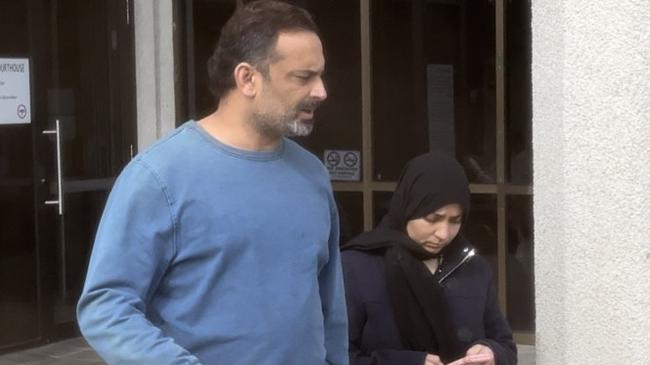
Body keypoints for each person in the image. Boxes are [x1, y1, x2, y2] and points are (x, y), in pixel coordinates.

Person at [77, 1, 348, 364]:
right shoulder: (158, 177)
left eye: (320, 75)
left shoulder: (312, 174)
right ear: (247, 78)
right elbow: (106, 306)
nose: (321, 91)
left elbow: (331, 304)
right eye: (303, 77)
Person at [341, 152, 516, 365]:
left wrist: (492, 354)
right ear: (408, 207)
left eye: (455, 221)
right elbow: (337, 356)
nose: (443, 233)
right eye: (432, 219)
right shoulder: (358, 267)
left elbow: (505, 346)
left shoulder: (473, 267)